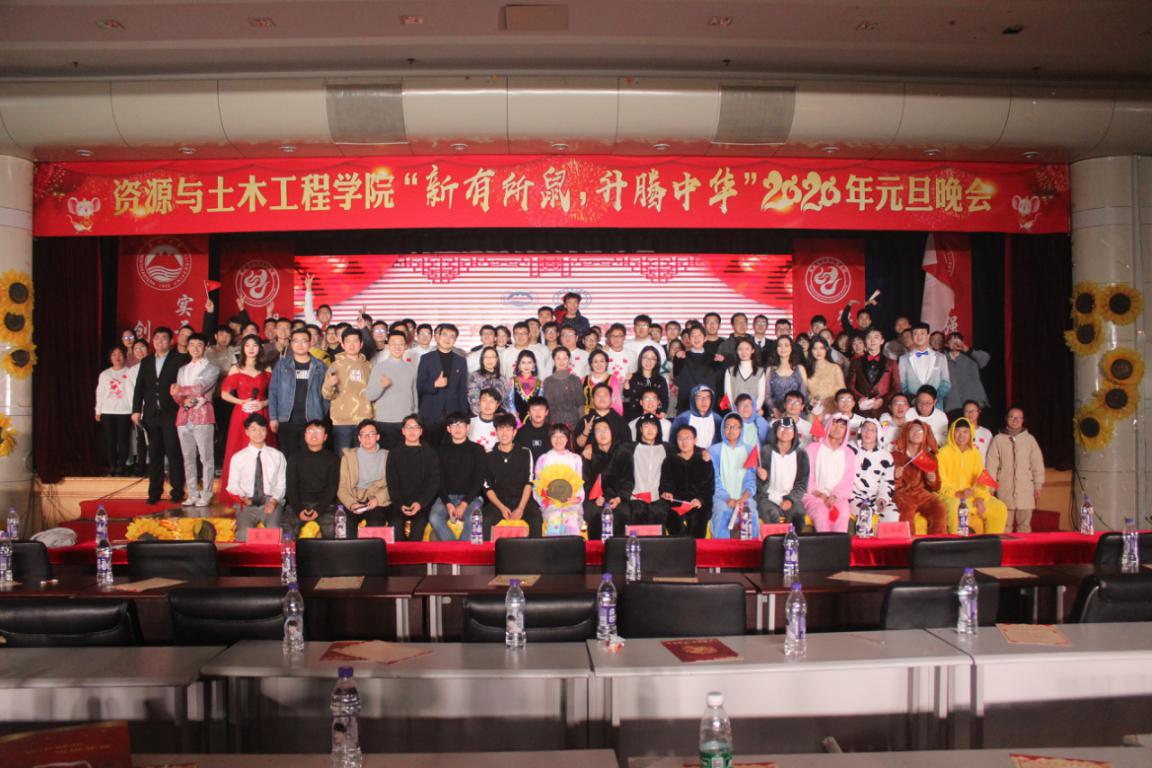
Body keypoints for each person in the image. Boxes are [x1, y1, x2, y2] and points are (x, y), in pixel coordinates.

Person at [132, 327, 191, 505]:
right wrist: (136, 410)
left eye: (164, 338)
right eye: (156, 338)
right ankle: (154, 492)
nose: (159, 341)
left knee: (173, 452)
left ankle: (177, 491)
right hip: (151, 414)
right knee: (154, 454)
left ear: (171, 341)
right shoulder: (147, 361)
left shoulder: (180, 359)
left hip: (172, 413)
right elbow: (139, 387)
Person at [936, 417, 1008, 535]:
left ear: (971, 434)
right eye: (958, 431)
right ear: (952, 433)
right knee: (955, 506)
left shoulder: (975, 454)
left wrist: (980, 498)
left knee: (999, 508)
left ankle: (992, 542)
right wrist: (958, 493)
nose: (961, 435)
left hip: (971, 497)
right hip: (951, 496)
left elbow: (981, 479)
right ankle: (957, 542)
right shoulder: (942, 454)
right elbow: (940, 483)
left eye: (965, 432)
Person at [173, 333, 220, 508]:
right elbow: (176, 395)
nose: (195, 348)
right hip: (184, 416)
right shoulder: (182, 369)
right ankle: (192, 493)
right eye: (191, 344)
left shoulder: (212, 369)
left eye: (199, 344)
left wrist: (180, 391)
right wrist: (182, 399)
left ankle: (206, 493)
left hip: (203, 416)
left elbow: (200, 388)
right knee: (188, 458)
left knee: (206, 458)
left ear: (205, 347)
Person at [269, 328, 328, 459]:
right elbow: (273, 392)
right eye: (296, 341)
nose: (300, 345)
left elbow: (326, 395)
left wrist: (319, 414)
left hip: (312, 419)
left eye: (304, 341)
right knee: (288, 458)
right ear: (291, 343)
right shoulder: (282, 365)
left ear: (310, 342)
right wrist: (273, 417)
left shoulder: (320, 366)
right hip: (286, 419)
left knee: (311, 458)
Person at [225, 414, 287, 541]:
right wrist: (243, 498)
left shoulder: (277, 456)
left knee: (274, 531)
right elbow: (232, 485)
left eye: (262, 429)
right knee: (243, 533)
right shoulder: (238, 458)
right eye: (253, 429)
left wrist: (273, 501)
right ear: (247, 432)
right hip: (246, 504)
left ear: (266, 431)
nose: (258, 433)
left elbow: (281, 484)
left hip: (270, 501)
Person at [984, 408, 1046, 533]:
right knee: (1004, 525)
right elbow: (992, 464)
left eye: (1018, 417)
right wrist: (990, 487)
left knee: (1024, 526)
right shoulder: (998, 439)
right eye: (1012, 417)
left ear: (1023, 420)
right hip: (1005, 487)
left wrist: (1038, 484)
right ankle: (1006, 545)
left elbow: (1037, 464)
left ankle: (1024, 545)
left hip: (1025, 488)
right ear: (1006, 419)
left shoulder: (1030, 440)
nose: (1015, 420)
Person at [430, 413, 487, 541]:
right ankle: (455, 549)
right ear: (448, 429)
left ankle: (460, 551)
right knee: (434, 518)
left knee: (474, 519)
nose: (457, 428)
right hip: (446, 497)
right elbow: (438, 479)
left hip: (471, 498)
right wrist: (448, 503)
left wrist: (464, 503)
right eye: (454, 425)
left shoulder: (477, 450)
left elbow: (479, 480)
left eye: (461, 424)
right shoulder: (440, 451)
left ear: (468, 427)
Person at [483, 413, 541, 538]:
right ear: (496, 432)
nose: (504, 433)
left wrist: (520, 508)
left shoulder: (525, 452)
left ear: (514, 432)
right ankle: (488, 551)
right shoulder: (488, 455)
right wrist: (501, 507)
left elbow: (529, 482)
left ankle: (535, 551)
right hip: (499, 501)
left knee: (536, 518)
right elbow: (488, 487)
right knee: (485, 520)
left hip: (522, 499)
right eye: (500, 429)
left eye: (508, 429)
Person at [384, 415, 439, 541]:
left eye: (415, 427)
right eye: (408, 427)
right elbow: (392, 482)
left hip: (422, 504)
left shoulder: (430, 453)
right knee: (396, 526)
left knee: (417, 531)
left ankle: (414, 555)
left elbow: (434, 483)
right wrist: (400, 504)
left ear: (421, 431)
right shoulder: (394, 454)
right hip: (399, 503)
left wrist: (420, 503)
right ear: (403, 431)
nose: (412, 431)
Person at [891, 420, 947, 535]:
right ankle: (908, 544)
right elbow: (890, 486)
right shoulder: (895, 456)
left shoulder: (929, 457)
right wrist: (896, 477)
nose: (916, 433)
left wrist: (932, 480)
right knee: (906, 510)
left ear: (924, 435)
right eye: (913, 430)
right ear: (906, 433)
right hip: (903, 494)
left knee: (939, 508)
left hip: (922, 494)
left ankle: (937, 543)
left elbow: (936, 487)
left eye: (920, 431)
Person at [365, 328, 419, 450]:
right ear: (388, 346)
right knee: (386, 456)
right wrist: (382, 386)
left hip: (406, 421)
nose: (397, 347)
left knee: (405, 455)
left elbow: (414, 395)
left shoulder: (411, 368)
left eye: (400, 344)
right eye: (393, 343)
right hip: (384, 421)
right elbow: (369, 396)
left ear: (405, 346)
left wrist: (415, 417)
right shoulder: (379, 368)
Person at [286, 420, 341, 538]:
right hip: (298, 504)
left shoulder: (333, 459)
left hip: (325, 506)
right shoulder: (294, 458)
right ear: (305, 435)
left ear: (325, 437)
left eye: (318, 432)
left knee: (331, 532)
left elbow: (332, 488)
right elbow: (291, 487)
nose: (314, 435)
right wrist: (299, 509)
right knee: (286, 531)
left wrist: (319, 510)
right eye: (310, 431)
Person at [802, 415, 856, 533]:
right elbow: (806, 475)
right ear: (827, 426)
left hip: (838, 498)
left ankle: (839, 545)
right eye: (834, 424)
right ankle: (824, 544)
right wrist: (820, 494)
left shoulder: (849, 453)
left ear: (846, 430)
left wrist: (834, 497)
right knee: (821, 513)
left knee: (843, 514)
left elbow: (847, 481)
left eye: (842, 426)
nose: (837, 429)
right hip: (814, 496)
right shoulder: (812, 448)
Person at [323, 326, 374, 452]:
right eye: (348, 341)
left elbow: (374, 394)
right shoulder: (334, 366)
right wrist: (329, 384)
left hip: (365, 421)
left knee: (362, 457)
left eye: (355, 341)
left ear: (361, 344)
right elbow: (326, 395)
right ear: (342, 344)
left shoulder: (369, 366)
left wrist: (374, 417)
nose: (352, 345)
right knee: (343, 458)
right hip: (342, 422)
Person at [336, 419, 391, 534]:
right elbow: (342, 488)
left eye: (371, 434)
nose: (367, 437)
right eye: (363, 434)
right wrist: (352, 504)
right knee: (347, 526)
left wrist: (378, 499)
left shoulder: (387, 456)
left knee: (375, 523)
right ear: (359, 438)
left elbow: (393, 485)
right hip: (354, 499)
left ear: (378, 437)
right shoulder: (348, 457)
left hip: (376, 501)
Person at [416, 324, 469, 442]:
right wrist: (434, 384)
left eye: (452, 336)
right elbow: (419, 386)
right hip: (430, 412)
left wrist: (464, 416)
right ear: (437, 337)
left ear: (455, 340)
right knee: (429, 446)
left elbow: (462, 390)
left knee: (451, 447)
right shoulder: (426, 358)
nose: (448, 339)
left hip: (453, 413)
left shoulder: (461, 361)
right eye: (444, 335)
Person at [659, 424, 714, 537]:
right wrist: (667, 492)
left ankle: (695, 546)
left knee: (697, 519)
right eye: (680, 439)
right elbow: (666, 482)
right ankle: (681, 546)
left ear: (695, 440)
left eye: (688, 438)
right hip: (677, 502)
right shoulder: (670, 460)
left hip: (697, 502)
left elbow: (708, 486)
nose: (684, 442)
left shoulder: (703, 459)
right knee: (671, 518)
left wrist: (700, 500)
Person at [582, 418, 634, 539]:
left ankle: (618, 549)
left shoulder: (623, 453)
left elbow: (628, 480)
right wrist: (595, 497)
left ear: (612, 432)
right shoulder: (589, 455)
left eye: (606, 429)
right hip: (596, 498)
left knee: (623, 513)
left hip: (618, 497)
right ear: (594, 435)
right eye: (598, 430)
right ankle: (596, 549)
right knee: (593, 513)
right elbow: (585, 481)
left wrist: (620, 498)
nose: (602, 434)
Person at [755, 417, 809, 530]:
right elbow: (759, 487)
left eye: (789, 429)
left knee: (798, 517)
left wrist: (790, 500)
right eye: (782, 428)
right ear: (775, 431)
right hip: (767, 498)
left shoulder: (801, 454)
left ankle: (794, 541)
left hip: (791, 497)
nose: (785, 431)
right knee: (771, 515)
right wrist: (763, 479)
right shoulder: (765, 451)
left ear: (794, 432)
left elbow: (802, 484)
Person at [709, 413, 757, 539]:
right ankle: (722, 549)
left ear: (741, 429)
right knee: (721, 513)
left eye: (735, 427)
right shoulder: (714, 450)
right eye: (727, 426)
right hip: (720, 498)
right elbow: (714, 479)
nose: (731, 430)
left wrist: (744, 498)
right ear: (722, 429)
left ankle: (751, 549)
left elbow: (751, 478)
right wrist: (726, 498)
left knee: (750, 512)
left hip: (744, 497)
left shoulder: (749, 450)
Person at [533, 424, 586, 536]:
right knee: (554, 519)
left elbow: (579, 484)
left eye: (562, 436)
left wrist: (578, 498)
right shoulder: (543, 459)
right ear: (550, 438)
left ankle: (572, 546)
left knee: (571, 520)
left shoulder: (576, 459)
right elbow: (537, 486)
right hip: (550, 504)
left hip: (571, 503)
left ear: (567, 439)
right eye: (555, 436)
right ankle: (553, 546)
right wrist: (544, 500)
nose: (558, 440)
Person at [622, 414, 671, 530]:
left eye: (653, 426)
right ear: (640, 429)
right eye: (646, 426)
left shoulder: (666, 448)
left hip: (658, 499)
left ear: (658, 429)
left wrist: (702, 452)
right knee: (637, 532)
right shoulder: (630, 448)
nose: (650, 430)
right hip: (636, 499)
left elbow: (685, 451)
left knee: (658, 532)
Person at [95, 346, 135, 476]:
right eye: (114, 354)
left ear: (125, 356)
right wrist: (98, 410)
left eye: (120, 354)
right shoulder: (105, 374)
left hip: (125, 411)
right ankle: (112, 466)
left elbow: (133, 393)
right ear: (110, 358)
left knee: (123, 440)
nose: (117, 357)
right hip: (108, 411)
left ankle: (121, 467)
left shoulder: (130, 372)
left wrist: (134, 410)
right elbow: (100, 393)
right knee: (110, 441)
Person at [846, 328, 902, 419]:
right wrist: (859, 398)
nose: (872, 340)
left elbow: (897, 387)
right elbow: (850, 385)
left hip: (884, 411)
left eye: (876, 337)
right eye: (869, 338)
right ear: (865, 341)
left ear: (882, 341)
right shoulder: (856, 362)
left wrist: (883, 400)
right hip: (862, 411)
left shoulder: (891, 363)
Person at [850, 419, 895, 527]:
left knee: (893, 514)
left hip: (876, 497)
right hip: (854, 497)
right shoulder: (849, 449)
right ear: (860, 430)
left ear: (878, 433)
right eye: (865, 429)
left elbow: (887, 482)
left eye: (872, 430)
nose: (868, 432)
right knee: (863, 516)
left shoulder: (886, 456)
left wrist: (883, 498)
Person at [672, 324, 720, 413]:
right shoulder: (682, 357)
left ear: (705, 338)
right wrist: (677, 358)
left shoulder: (714, 358)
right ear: (689, 339)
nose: (696, 338)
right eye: (693, 336)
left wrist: (722, 361)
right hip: (686, 404)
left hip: (707, 405)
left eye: (699, 335)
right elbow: (675, 375)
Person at [899, 322, 951, 403]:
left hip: (936, 404)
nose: (919, 337)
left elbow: (946, 383)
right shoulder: (903, 359)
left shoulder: (941, 357)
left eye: (922, 333)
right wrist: (913, 400)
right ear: (912, 337)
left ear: (928, 336)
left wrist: (933, 399)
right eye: (915, 334)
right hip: (913, 404)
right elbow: (902, 384)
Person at [943, 332, 991, 414]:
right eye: (951, 340)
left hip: (974, 402)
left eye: (957, 340)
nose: (955, 342)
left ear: (963, 342)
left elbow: (985, 359)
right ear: (947, 344)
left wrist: (967, 350)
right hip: (953, 405)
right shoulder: (942, 358)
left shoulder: (971, 356)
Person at [576, 382, 630, 449]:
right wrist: (585, 433)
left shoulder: (620, 421)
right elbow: (577, 446)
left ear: (611, 399)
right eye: (598, 395)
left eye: (605, 395)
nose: (602, 398)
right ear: (592, 399)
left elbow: (628, 447)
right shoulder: (585, 420)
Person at [765, 335, 808, 417]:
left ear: (791, 348)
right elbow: (767, 396)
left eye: (786, 345)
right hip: (775, 413)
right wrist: (775, 410)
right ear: (776, 349)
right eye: (780, 345)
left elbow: (803, 395)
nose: (783, 348)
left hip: (796, 413)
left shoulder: (800, 368)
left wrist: (793, 411)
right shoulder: (770, 370)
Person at [542, 347, 584, 429]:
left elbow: (580, 405)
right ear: (554, 360)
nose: (561, 362)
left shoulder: (575, 380)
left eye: (565, 358)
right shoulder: (547, 381)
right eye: (558, 358)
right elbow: (546, 407)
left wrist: (581, 425)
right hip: (553, 424)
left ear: (569, 360)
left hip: (573, 423)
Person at [624, 345, 669, 420]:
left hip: (655, 417)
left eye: (652, 359)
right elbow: (626, 394)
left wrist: (663, 413)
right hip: (635, 417)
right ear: (640, 359)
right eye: (645, 357)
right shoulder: (632, 377)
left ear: (656, 362)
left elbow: (665, 399)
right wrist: (627, 380)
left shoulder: (661, 380)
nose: (648, 361)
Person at [724, 338, 767, 415]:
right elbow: (727, 395)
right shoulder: (730, 371)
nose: (744, 352)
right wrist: (735, 412)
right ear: (736, 351)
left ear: (752, 350)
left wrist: (752, 412)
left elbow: (761, 396)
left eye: (747, 349)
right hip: (735, 414)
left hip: (754, 414)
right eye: (740, 349)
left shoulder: (760, 372)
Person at [805, 336, 845, 415]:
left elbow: (842, 392)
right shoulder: (806, 370)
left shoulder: (835, 368)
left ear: (826, 349)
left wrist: (830, 400)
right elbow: (804, 392)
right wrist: (810, 399)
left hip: (832, 411)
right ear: (811, 351)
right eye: (815, 348)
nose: (818, 351)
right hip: (813, 411)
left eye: (821, 348)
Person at [583, 348, 624, 416]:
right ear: (591, 364)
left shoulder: (612, 379)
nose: (599, 364)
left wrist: (616, 419)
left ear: (606, 363)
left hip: (606, 417)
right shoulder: (583, 379)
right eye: (595, 361)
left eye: (602, 361)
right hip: (587, 417)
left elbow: (617, 403)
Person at [467, 346, 506, 415]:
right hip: (480, 416)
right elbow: (473, 400)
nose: (489, 360)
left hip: (498, 416)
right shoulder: (475, 376)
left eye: (492, 357)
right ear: (482, 360)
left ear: (497, 360)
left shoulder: (502, 378)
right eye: (486, 357)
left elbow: (504, 400)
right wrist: (487, 416)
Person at [506, 349, 543, 422]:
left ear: (534, 364)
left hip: (534, 420)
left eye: (529, 362)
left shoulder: (540, 383)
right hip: (516, 420)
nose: (526, 366)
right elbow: (509, 402)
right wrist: (515, 416)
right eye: (523, 362)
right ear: (519, 365)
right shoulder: (512, 381)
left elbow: (540, 404)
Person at [514, 395, 551, 461]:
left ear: (546, 412)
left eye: (541, 409)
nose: (538, 413)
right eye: (534, 409)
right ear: (529, 413)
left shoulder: (552, 431)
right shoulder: (521, 432)